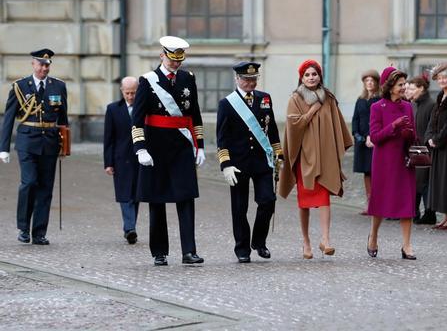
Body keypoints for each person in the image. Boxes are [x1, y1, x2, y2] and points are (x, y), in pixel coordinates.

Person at [131, 36, 206, 266]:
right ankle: (159, 252)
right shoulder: (147, 81)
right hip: (156, 146)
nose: (176, 64)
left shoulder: (188, 78)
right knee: (157, 200)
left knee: (186, 198)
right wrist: (140, 148)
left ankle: (189, 251)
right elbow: (137, 119)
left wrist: (200, 145)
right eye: (172, 59)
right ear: (162, 55)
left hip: (182, 146)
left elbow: (194, 113)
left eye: (179, 60)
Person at [278, 60, 353, 259]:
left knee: (324, 197)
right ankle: (306, 242)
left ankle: (326, 239)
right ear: (301, 78)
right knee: (305, 200)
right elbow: (292, 126)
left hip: (325, 154)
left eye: (314, 74)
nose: (311, 77)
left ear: (320, 76)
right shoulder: (296, 98)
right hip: (304, 156)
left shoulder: (328, 98)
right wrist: (311, 111)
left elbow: (337, 124)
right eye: (307, 75)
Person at [0, 49, 68, 245]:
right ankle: (23, 227)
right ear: (33, 64)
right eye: (41, 64)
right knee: (29, 182)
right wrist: (3, 148)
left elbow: (63, 119)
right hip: (27, 142)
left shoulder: (59, 86)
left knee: (46, 188)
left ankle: (39, 232)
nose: (44, 68)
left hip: (50, 142)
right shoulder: (20, 86)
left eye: (47, 65)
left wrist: (65, 145)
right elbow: (9, 119)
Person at [217, 62, 281, 263]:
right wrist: (225, 164)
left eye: (253, 79)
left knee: (268, 201)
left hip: (261, 161)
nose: (250, 83)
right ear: (237, 79)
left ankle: (259, 242)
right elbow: (222, 137)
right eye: (246, 79)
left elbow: (272, 129)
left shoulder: (265, 98)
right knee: (239, 208)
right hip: (238, 163)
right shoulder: (227, 103)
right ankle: (242, 248)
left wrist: (278, 153)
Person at [366, 66, 417, 259]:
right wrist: (393, 126)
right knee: (380, 201)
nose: (404, 87)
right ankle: (373, 236)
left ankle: (407, 245)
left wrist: (409, 133)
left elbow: (413, 137)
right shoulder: (377, 107)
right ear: (389, 86)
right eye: (400, 84)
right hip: (384, 162)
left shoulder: (407, 107)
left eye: (404, 84)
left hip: (404, 161)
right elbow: (376, 137)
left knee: (406, 203)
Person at [103, 76, 141, 244]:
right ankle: (130, 228)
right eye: (128, 93)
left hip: (140, 157)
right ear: (122, 91)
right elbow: (108, 138)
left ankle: (130, 227)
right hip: (121, 159)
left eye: (133, 93)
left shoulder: (144, 108)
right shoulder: (113, 109)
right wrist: (108, 163)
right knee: (125, 195)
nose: (131, 96)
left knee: (137, 195)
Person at [424, 63, 447, 230]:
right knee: (439, 181)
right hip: (437, 146)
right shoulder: (440, 96)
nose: (442, 80)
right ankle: (445, 215)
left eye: (444, 77)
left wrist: (438, 139)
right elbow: (433, 120)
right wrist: (430, 137)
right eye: (439, 78)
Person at [352, 69, 380, 215]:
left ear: (376, 83)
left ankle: (377, 203)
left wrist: (371, 136)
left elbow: (377, 120)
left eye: (372, 81)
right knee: (366, 172)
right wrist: (357, 134)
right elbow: (355, 118)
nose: (369, 83)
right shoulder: (360, 99)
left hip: (375, 141)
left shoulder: (379, 99)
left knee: (376, 171)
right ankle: (369, 202)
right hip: (361, 142)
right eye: (367, 81)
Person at [408, 75, 436, 225]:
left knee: (424, 182)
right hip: (414, 147)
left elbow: (431, 126)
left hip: (424, 148)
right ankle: (414, 212)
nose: (409, 91)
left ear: (421, 89)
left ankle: (429, 213)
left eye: (412, 88)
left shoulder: (430, 104)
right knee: (414, 181)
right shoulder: (413, 104)